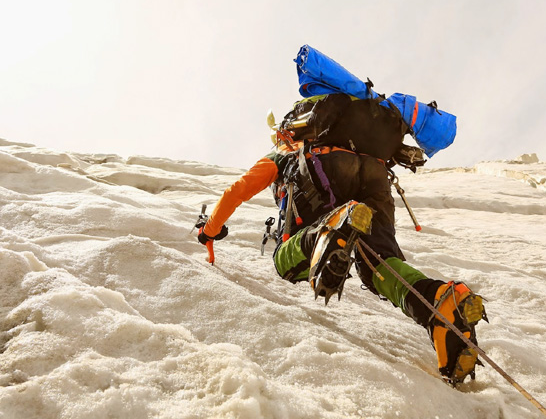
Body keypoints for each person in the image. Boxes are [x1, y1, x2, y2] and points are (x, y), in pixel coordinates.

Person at [196, 93, 487, 384]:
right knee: (380, 266)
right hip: (374, 174)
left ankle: (329, 228)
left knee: (285, 261)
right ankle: (441, 301)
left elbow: (238, 190)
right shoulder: (356, 139)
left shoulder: (285, 150)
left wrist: (210, 230)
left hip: (323, 170)